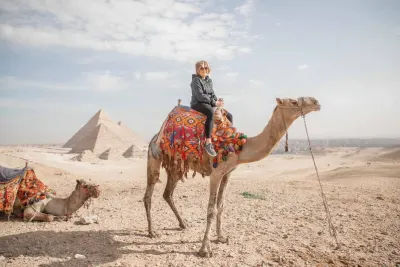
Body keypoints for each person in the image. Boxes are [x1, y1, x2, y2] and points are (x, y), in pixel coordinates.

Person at [190, 60, 233, 157]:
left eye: (205, 67)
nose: (204, 70)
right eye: (201, 68)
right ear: (197, 69)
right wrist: (214, 102)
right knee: (210, 112)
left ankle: (228, 140)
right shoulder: (195, 80)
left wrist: (218, 102)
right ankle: (208, 143)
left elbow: (213, 94)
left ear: (208, 69)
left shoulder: (209, 81)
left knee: (229, 115)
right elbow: (200, 96)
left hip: (209, 102)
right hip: (198, 103)